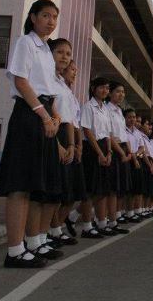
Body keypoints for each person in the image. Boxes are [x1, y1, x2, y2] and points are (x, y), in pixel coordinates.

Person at [0, 0, 62, 268]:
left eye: (55, 16)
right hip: (29, 115)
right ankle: (14, 250)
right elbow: (21, 81)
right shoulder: (26, 42)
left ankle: (32, 243)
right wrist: (44, 115)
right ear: (33, 17)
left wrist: (54, 115)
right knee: (20, 185)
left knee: (36, 185)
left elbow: (47, 89)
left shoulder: (46, 49)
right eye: (45, 15)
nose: (51, 21)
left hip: (43, 114)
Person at [46, 40, 79, 249]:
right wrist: (58, 144)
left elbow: (68, 121)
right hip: (51, 133)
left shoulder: (65, 89)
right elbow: (50, 112)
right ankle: (48, 233)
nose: (65, 58)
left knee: (64, 191)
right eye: (60, 52)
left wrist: (73, 146)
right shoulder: (50, 81)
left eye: (68, 54)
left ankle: (53, 230)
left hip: (65, 137)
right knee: (52, 191)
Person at [80, 77, 116, 238]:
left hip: (104, 147)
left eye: (107, 88)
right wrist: (100, 154)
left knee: (102, 189)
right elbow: (87, 131)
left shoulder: (105, 109)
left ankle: (76, 216)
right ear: (93, 88)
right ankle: (87, 226)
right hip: (91, 148)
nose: (105, 91)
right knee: (90, 189)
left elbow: (108, 134)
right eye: (101, 87)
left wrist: (108, 152)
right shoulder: (88, 106)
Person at [106, 82, 131, 232]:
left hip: (122, 149)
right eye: (117, 91)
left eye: (123, 92)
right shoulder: (107, 109)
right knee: (112, 189)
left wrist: (128, 151)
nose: (121, 94)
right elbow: (110, 136)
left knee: (119, 188)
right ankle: (110, 221)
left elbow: (123, 134)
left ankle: (112, 220)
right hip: (114, 149)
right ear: (110, 93)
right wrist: (122, 153)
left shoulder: (119, 111)